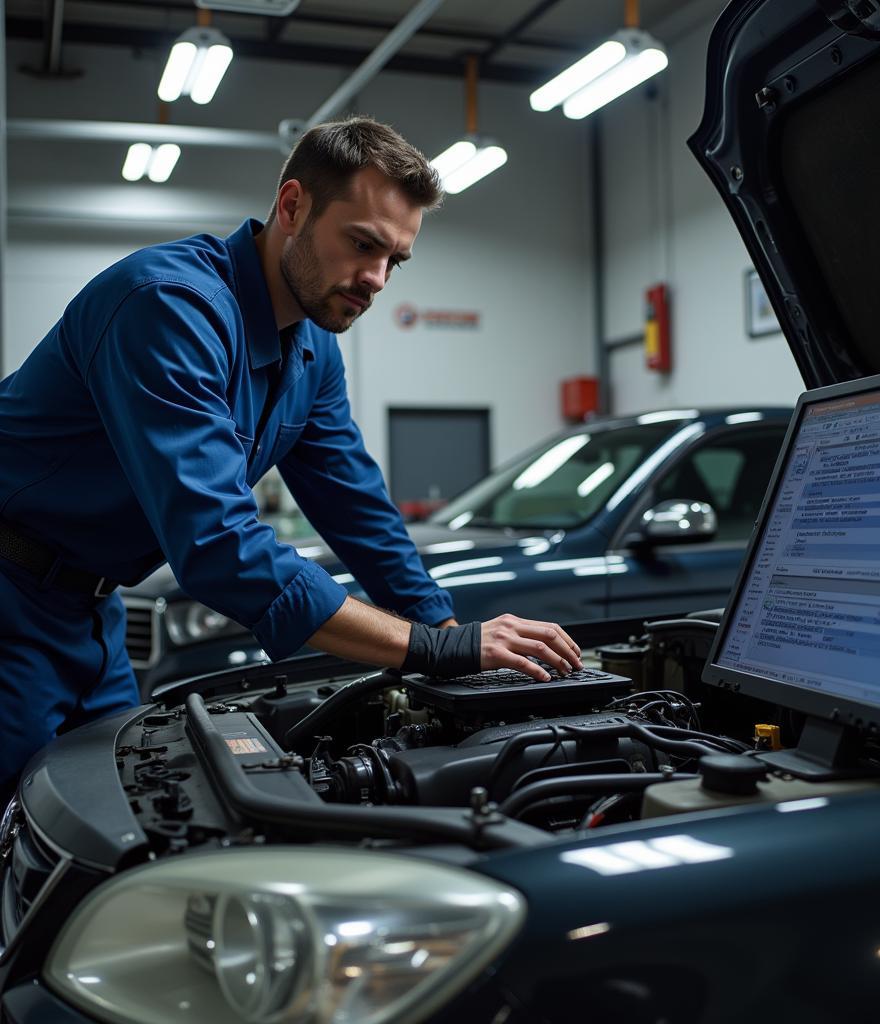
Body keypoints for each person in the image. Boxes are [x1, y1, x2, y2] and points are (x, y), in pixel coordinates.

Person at [0, 116, 582, 802]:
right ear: (292, 206)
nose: (375, 279)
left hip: (93, 616)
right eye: (363, 244)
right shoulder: (168, 306)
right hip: (10, 604)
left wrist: (450, 635)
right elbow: (218, 546)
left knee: (116, 810)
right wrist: (434, 650)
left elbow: (356, 507)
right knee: (24, 833)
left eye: (395, 259)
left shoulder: (312, 350)